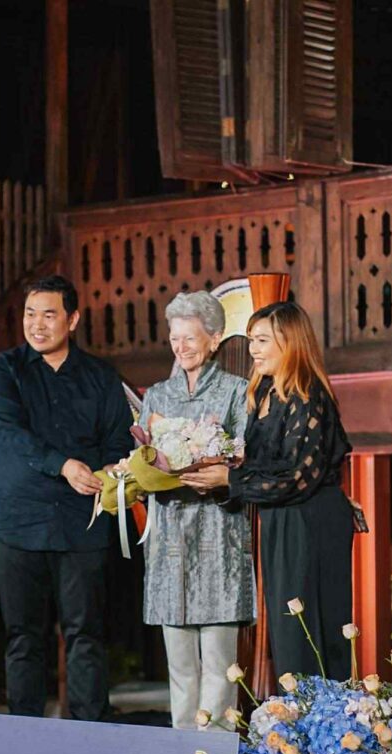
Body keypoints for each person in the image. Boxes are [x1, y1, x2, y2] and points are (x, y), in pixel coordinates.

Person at [0, 274, 133, 720]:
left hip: (82, 519)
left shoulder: (100, 376)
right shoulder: (4, 370)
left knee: (86, 633)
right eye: (30, 314)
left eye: (49, 315)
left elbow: (118, 439)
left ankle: (90, 735)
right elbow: (10, 434)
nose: (37, 324)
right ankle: (24, 736)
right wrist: (64, 465)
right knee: (23, 636)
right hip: (17, 521)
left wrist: (109, 470)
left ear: (73, 319)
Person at [181, 301, 353, 682]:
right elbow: (263, 467)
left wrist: (229, 481)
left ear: (290, 343)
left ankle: (322, 714)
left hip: (310, 524)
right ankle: (298, 711)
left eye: (262, 340)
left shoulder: (308, 397)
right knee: (289, 634)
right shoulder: (266, 393)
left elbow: (297, 477)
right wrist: (218, 471)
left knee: (308, 633)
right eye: (251, 340)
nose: (252, 349)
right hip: (281, 519)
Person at [139, 291, 256, 730]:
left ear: (214, 338)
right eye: (174, 338)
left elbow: (246, 463)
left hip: (218, 537)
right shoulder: (157, 396)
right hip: (169, 538)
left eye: (190, 337)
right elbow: (143, 461)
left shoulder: (236, 392)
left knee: (220, 668)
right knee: (180, 670)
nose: (181, 347)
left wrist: (221, 476)